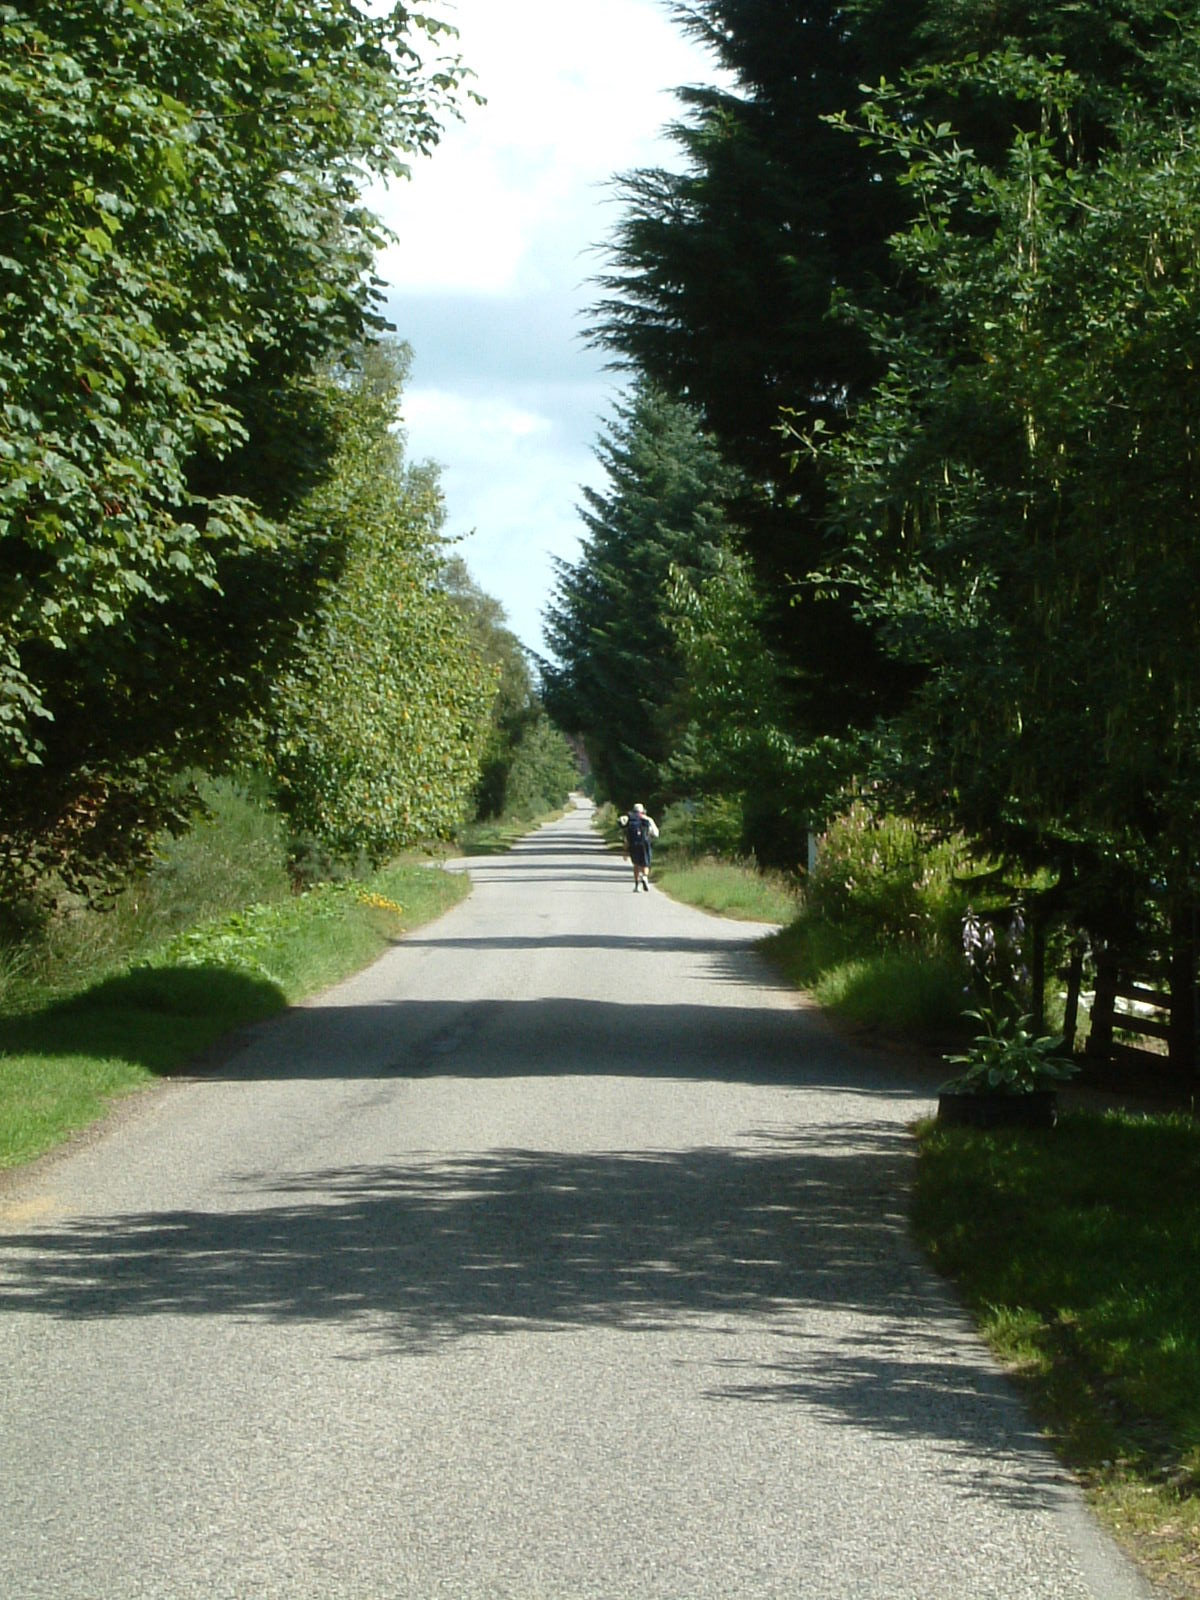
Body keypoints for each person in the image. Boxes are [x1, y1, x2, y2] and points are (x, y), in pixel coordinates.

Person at [621, 802, 659, 891]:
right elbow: (656, 833)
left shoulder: (630, 820)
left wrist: (625, 849)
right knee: (646, 863)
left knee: (636, 865)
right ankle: (645, 877)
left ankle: (637, 885)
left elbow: (626, 835)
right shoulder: (648, 819)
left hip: (634, 844)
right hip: (645, 843)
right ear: (643, 811)